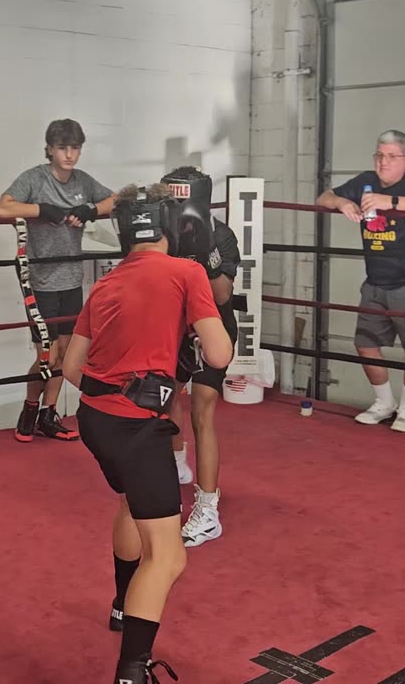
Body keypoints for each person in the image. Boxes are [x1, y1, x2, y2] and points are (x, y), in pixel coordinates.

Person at [61, 183, 233, 684]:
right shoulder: (188, 271)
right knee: (169, 554)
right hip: (139, 428)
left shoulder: (107, 282)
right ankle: (131, 672)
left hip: (95, 420)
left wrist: (128, 382)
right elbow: (220, 355)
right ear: (174, 225)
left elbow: (73, 367)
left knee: (129, 506)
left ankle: (121, 604)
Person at [315, 129, 405, 432]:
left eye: (390, 156)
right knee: (365, 343)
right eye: (379, 155)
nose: (383, 162)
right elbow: (324, 196)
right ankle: (384, 402)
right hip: (375, 279)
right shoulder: (364, 181)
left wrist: (392, 201)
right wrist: (341, 203)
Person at [0, 119, 116, 443]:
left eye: (75, 147)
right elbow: (1, 208)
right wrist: (39, 209)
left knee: (66, 351)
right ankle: (30, 409)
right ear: (50, 148)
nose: (69, 154)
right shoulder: (35, 178)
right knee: (46, 353)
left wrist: (90, 209)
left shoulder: (82, 181)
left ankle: (49, 414)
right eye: (63, 147)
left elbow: (116, 200)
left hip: (71, 279)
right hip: (42, 279)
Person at [161, 167, 240, 548]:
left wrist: (206, 253)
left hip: (213, 328)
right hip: (175, 328)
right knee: (168, 396)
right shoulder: (163, 233)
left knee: (202, 409)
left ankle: (208, 510)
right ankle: (177, 463)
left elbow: (223, 295)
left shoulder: (221, 235)